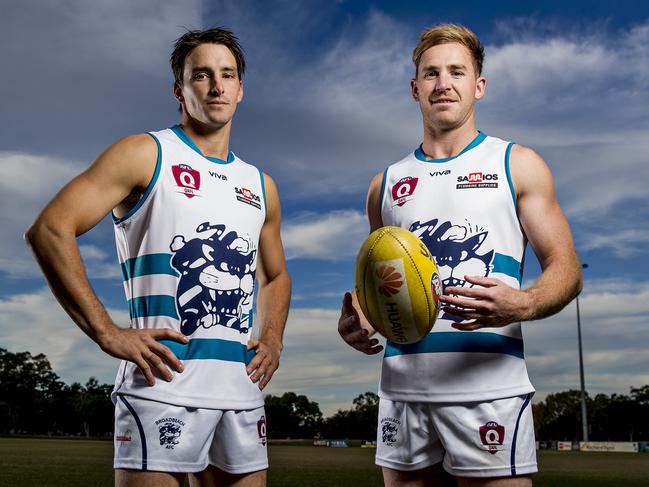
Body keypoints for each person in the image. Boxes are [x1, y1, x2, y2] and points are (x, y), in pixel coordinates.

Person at [26, 27, 291, 487]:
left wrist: (272, 339)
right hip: (162, 386)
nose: (216, 86)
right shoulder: (145, 154)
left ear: (241, 89)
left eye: (227, 75)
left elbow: (276, 276)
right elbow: (50, 230)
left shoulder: (260, 184)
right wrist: (107, 331)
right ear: (179, 89)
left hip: (240, 391)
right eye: (201, 75)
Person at [338, 23, 582, 486]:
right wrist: (364, 321)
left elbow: (567, 269)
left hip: (487, 388)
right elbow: (386, 283)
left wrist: (524, 302)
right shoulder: (385, 184)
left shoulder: (515, 163)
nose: (443, 83)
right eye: (431, 74)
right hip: (403, 392)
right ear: (415, 88)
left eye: (456, 72)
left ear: (478, 86)